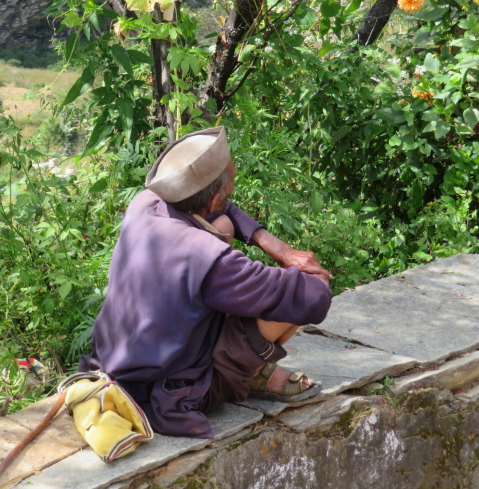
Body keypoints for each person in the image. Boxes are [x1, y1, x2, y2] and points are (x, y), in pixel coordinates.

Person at [80, 127, 333, 439]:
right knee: (291, 302)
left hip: (115, 365)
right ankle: (250, 373)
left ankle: (235, 354)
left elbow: (226, 211)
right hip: (169, 391)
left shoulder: (146, 203)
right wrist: (316, 275)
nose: (230, 197)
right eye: (230, 186)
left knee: (223, 225)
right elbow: (314, 299)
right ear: (214, 197)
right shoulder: (213, 263)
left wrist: (277, 247)